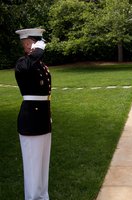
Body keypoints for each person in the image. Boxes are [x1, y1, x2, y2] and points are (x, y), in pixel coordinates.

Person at [15, 28, 52, 200]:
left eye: (34, 43)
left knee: (43, 162)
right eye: (29, 44)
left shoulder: (40, 64)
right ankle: (32, 197)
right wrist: (38, 50)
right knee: (32, 163)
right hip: (30, 119)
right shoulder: (23, 63)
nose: (31, 47)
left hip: (43, 118)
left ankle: (42, 195)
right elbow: (27, 66)